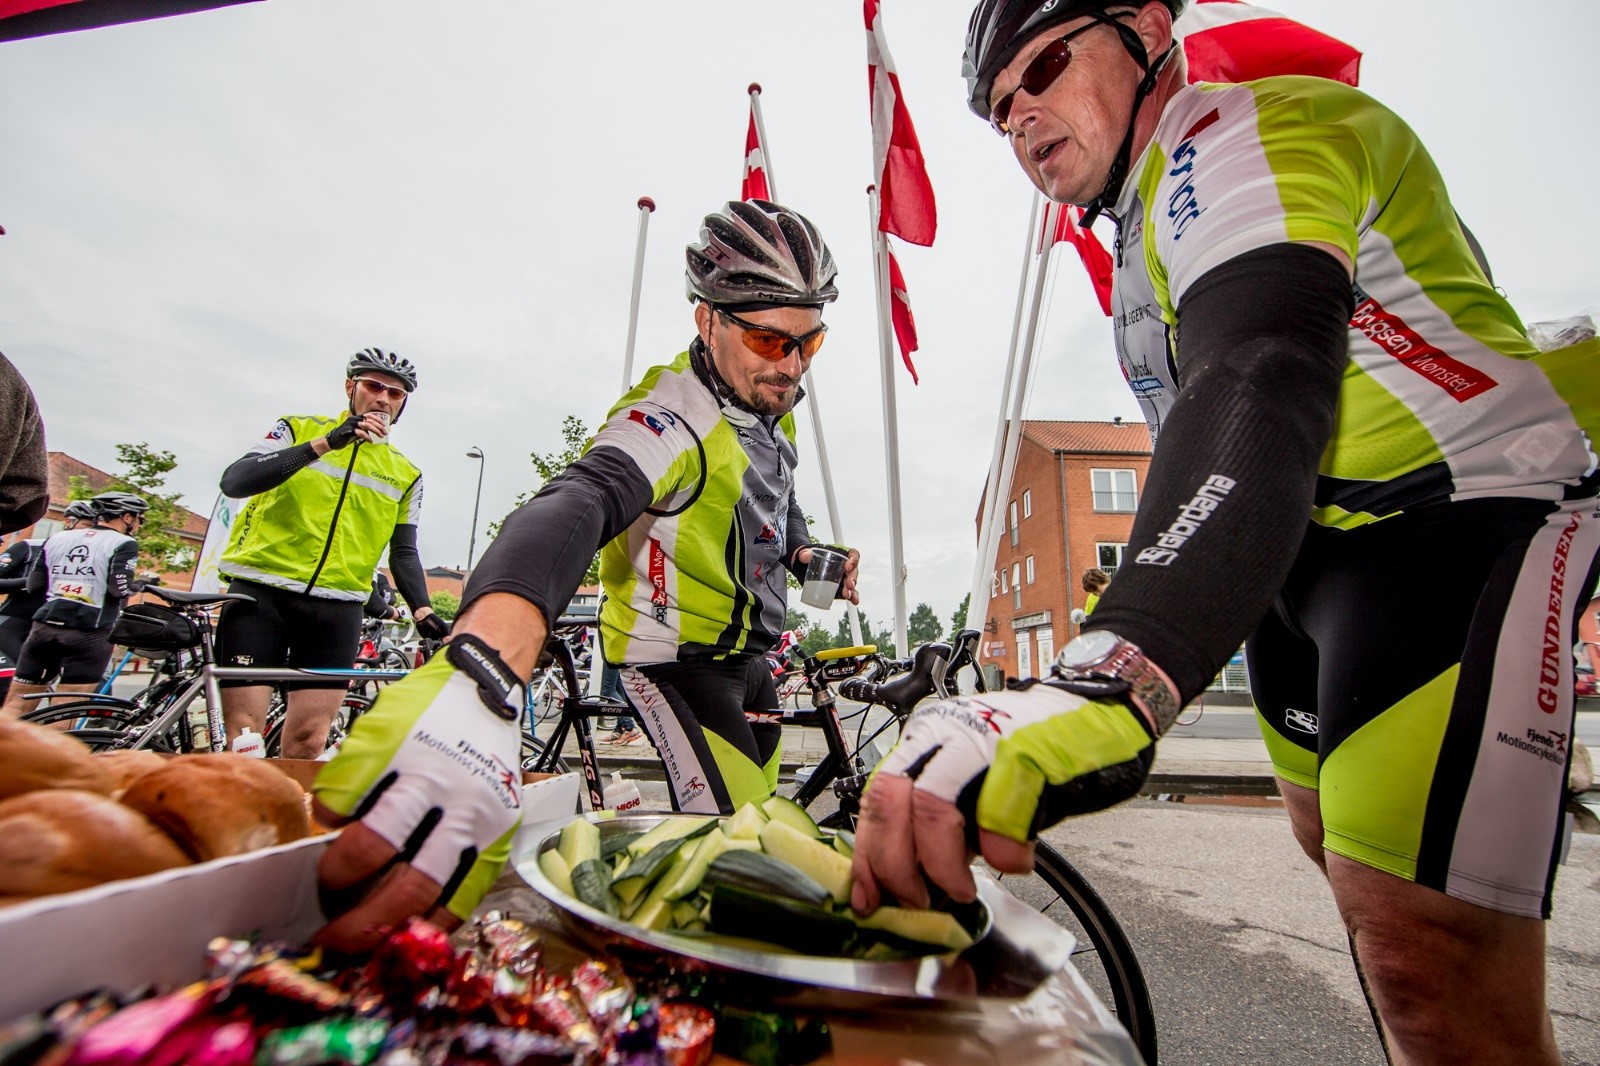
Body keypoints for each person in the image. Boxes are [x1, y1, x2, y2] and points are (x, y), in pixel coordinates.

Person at [848, 3, 1600, 1063]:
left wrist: (1111, 670)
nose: (1019, 115)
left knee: (1421, 954)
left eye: (1045, 66)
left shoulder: (1239, 132)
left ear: (1149, 25)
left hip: (1458, 520)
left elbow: (1260, 367)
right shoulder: (1141, 224)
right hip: (1301, 554)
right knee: (1346, 874)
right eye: (997, 107)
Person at [309, 201, 859, 951]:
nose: (791, 367)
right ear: (707, 322)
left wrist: (802, 552)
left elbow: (776, 500)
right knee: (736, 854)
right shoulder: (671, 414)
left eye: (810, 341)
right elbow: (583, 496)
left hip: (750, 657)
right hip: (674, 663)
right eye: (768, 338)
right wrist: (490, 651)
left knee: (757, 832)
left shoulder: (772, 404)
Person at [214, 348, 449, 759]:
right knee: (244, 738)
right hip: (261, 595)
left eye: (396, 393)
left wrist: (423, 610)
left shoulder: (405, 472)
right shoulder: (296, 428)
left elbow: (404, 550)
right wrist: (326, 443)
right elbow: (237, 481)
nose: (384, 399)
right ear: (350, 388)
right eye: (375, 387)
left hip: (337, 608)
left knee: (309, 739)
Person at [0, 492, 148, 717]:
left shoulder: (57, 539)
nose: (138, 525)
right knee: (65, 709)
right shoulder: (124, 542)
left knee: (16, 704)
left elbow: (34, 585)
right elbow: (119, 589)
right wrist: (141, 585)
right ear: (127, 517)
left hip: (43, 626)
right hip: (89, 631)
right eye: (139, 519)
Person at [0, 501, 97, 702]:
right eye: (87, 526)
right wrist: (31, 582)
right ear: (69, 521)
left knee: (36, 695)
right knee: (10, 684)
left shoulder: (91, 559)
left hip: (51, 631)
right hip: (13, 625)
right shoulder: (29, 547)